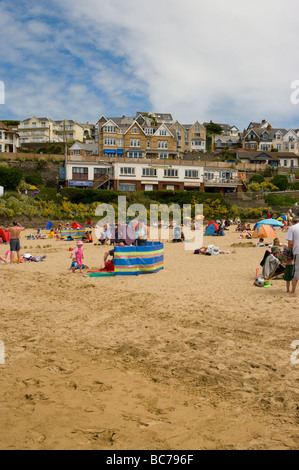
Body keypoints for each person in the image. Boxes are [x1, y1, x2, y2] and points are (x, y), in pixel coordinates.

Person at [286, 216, 299, 295]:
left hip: (297, 251)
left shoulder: (292, 228)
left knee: (296, 271)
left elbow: (290, 242)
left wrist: (290, 250)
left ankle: (293, 290)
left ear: (292, 222)